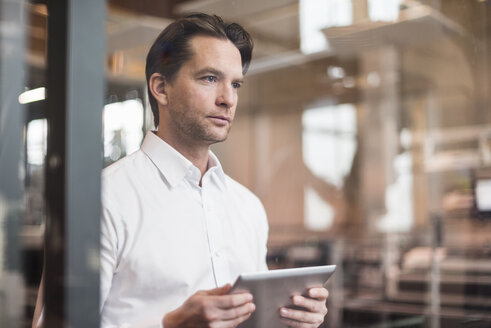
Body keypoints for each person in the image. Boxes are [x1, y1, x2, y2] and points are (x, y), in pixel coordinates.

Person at [34, 13, 329, 328]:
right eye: (209, 78)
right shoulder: (100, 199)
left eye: (236, 84)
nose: (228, 99)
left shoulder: (248, 207)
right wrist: (171, 326)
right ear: (161, 88)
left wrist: (290, 318)